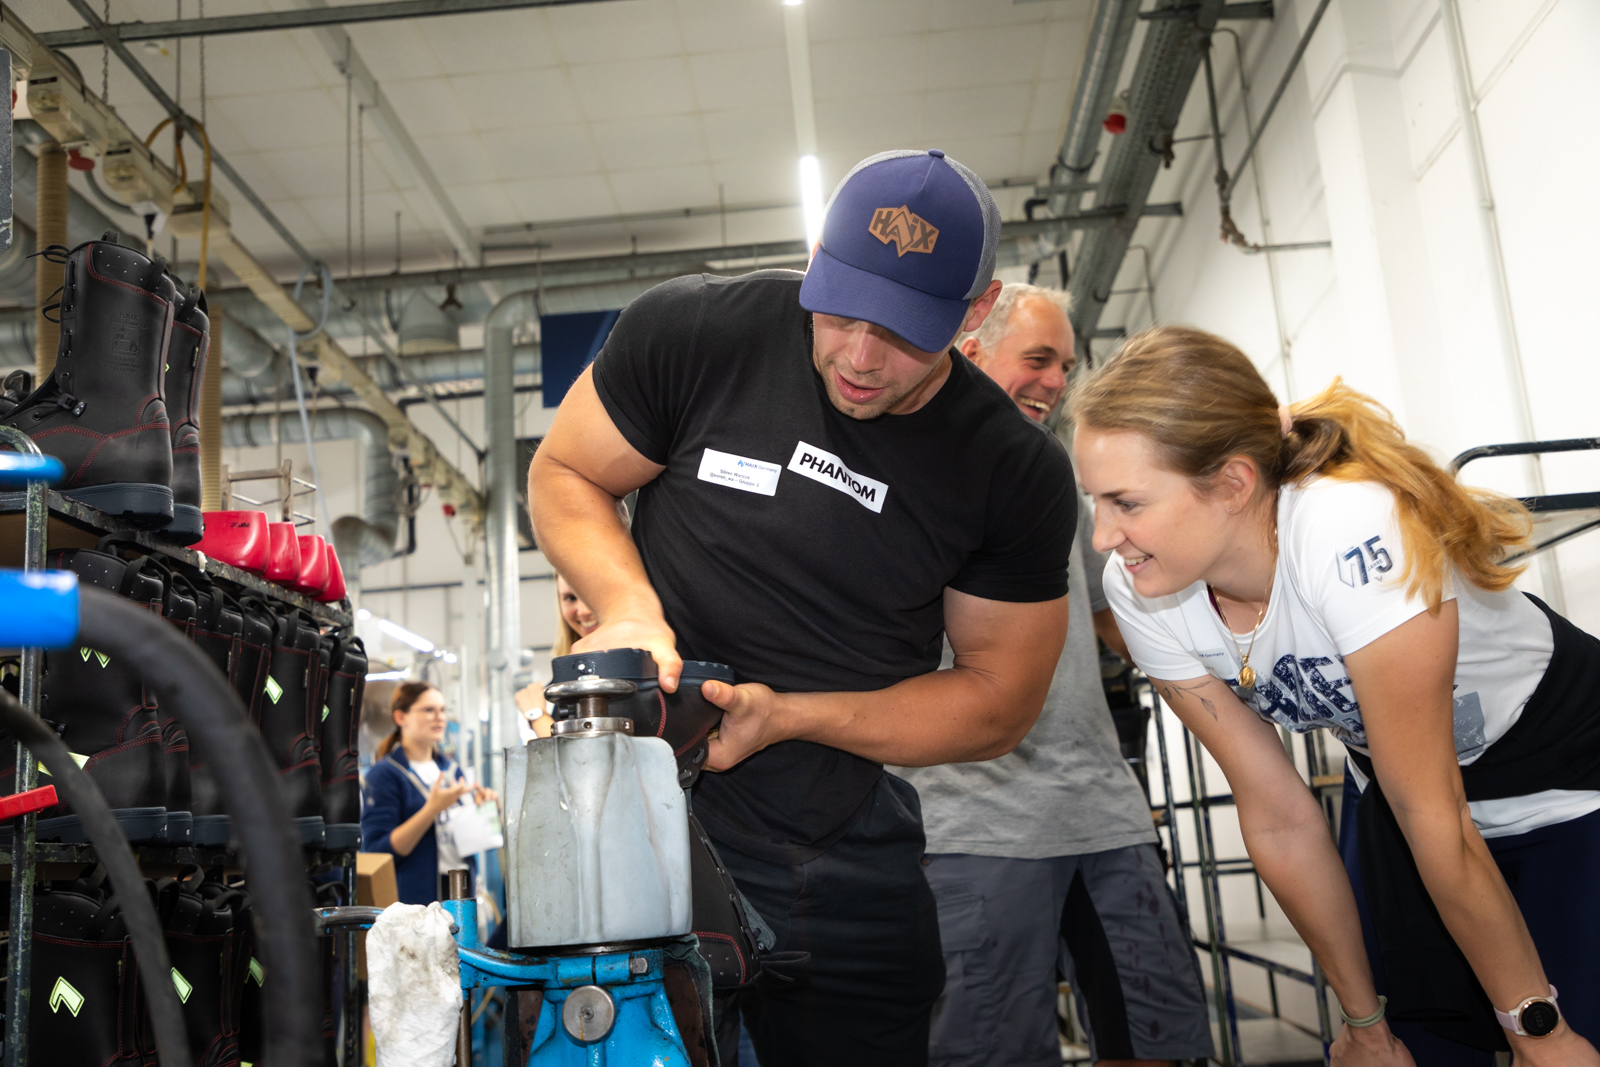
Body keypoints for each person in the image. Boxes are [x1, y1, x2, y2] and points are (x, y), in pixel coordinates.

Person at [528, 149, 1076, 1066]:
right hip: (644, 827)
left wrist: (788, 719)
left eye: (903, 332)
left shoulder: (1008, 470)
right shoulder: (699, 329)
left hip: (842, 844)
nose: (860, 357)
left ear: (973, 317)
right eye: (844, 310)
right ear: (815, 255)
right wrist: (629, 606)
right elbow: (566, 470)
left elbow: (996, 701)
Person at [1072, 326, 1600, 1067]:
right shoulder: (1140, 587)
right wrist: (1363, 1019)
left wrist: (1537, 1031)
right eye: (1095, 501)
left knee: (1567, 1038)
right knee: (1410, 1045)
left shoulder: (1346, 525)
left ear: (1231, 483)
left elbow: (1435, 813)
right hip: (1398, 789)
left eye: (1126, 502)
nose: (1102, 536)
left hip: (1562, 771)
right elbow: (1280, 815)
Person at [896, 284, 1212, 1067]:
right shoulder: (895, 484)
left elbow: (1121, 615)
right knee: (989, 1053)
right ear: (968, 351)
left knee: (1157, 1039)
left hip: (1103, 813)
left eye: (1065, 367)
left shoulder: (1062, 486)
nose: (1055, 382)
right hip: (972, 825)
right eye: (1037, 359)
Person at [361, 681, 499, 905]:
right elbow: (379, 851)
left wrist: (489, 811)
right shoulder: (385, 775)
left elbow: (474, 837)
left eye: (443, 710)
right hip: (417, 902)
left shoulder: (450, 770)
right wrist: (432, 810)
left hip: (459, 891)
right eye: (428, 710)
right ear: (400, 718)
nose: (439, 717)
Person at [515, 574, 600, 738]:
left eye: (593, 594)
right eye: (570, 598)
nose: (583, 611)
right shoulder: (566, 678)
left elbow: (586, 755)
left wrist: (537, 716)